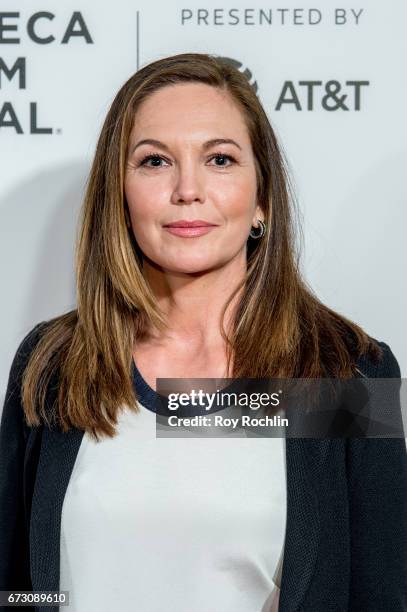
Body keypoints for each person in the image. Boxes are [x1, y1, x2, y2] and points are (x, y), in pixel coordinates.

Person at [0, 52, 406, 612]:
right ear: (118, 196)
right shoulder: (55, 364)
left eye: (219, 159)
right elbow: (15, 587)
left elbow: (381, 595)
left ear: (262, 199)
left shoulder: (341, 370)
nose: (187, 189)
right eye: (154, 161)